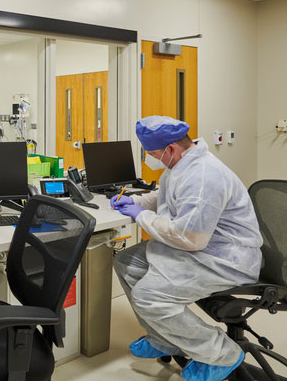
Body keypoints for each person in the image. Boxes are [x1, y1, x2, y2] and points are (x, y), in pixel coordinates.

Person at [111, 116, 262, 381]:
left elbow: (190, 237)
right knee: (127, 262)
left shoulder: (204, 176)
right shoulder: (181, 163)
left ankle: (222, 354)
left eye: (152, 153)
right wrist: (137, 200)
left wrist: (140, 216)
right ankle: (164, 338)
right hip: (199, 249)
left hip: (224, 259)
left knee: (149, 296)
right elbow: (167, 196)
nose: (150, 159)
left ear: (170, 149)